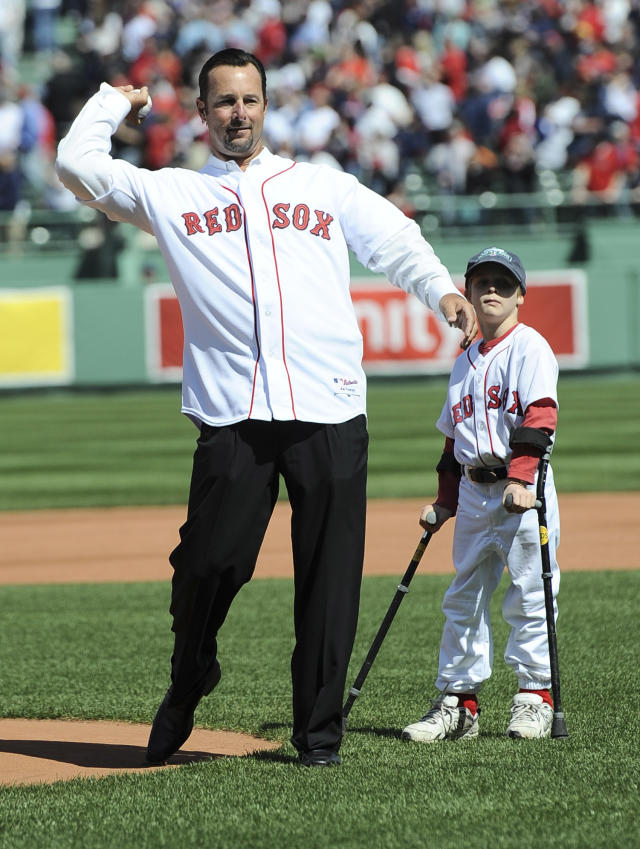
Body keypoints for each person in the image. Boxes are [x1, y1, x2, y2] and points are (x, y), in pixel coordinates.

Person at [55, 48, 477, 768]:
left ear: (266, 106)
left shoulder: (320, 186)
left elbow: (395, 240)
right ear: (202, 112)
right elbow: (75, 164)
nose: (237, 113)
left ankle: (319, 737)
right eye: (223, 102)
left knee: (330, 579)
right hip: (232, 416)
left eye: (248, 100)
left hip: (330, 408)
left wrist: (441, 291)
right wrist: (115, 101)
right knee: (207, 567)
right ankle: (189, 675)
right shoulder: (173, 194)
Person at [402, 246, 560, 743]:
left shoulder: (531, 346)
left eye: (503, 284)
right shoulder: (464, 361)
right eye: (481, 283)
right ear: (467, 292)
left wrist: (520, 480)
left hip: (521, 490)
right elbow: (454, 439)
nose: (491, 291)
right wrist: (445, 499)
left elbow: (540, 416)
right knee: (464, 594)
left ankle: (535, 695)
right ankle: (459, 702)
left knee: (530, 592)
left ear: (520, 295)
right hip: (473, 492)